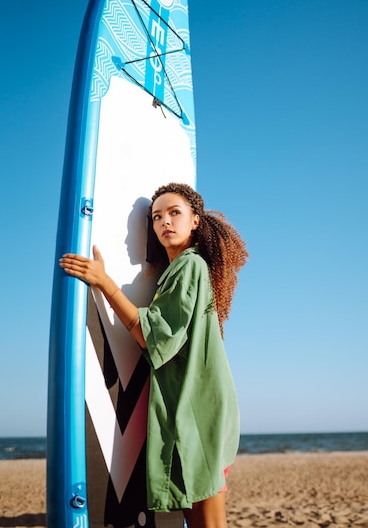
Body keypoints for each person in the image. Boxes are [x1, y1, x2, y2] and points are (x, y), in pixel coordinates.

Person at [59, 182, 248, 528]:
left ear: (195, 221)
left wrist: (104, 283)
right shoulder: (175, 272)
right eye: (157, 216)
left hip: (202, 411)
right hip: (197, 407)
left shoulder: (190, 266)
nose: (165, 222)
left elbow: (153, 336)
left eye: (175, 213)